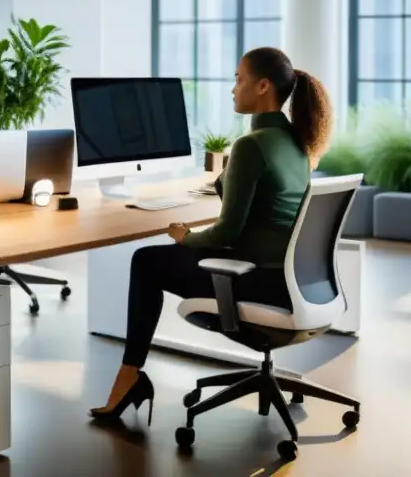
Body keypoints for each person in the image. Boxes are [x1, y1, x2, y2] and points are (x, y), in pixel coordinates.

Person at [90, 47, 333, 423]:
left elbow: (227, 232)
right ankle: (130, 379)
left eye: (239, 79)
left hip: (255, 280)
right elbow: (256, 205)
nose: (233, 89)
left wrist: (186, 236)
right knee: (154, 258)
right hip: (290, 280)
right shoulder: (296, 145)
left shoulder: (252, 146)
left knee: (147, 261)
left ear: (263, 86)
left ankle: (129, 377)